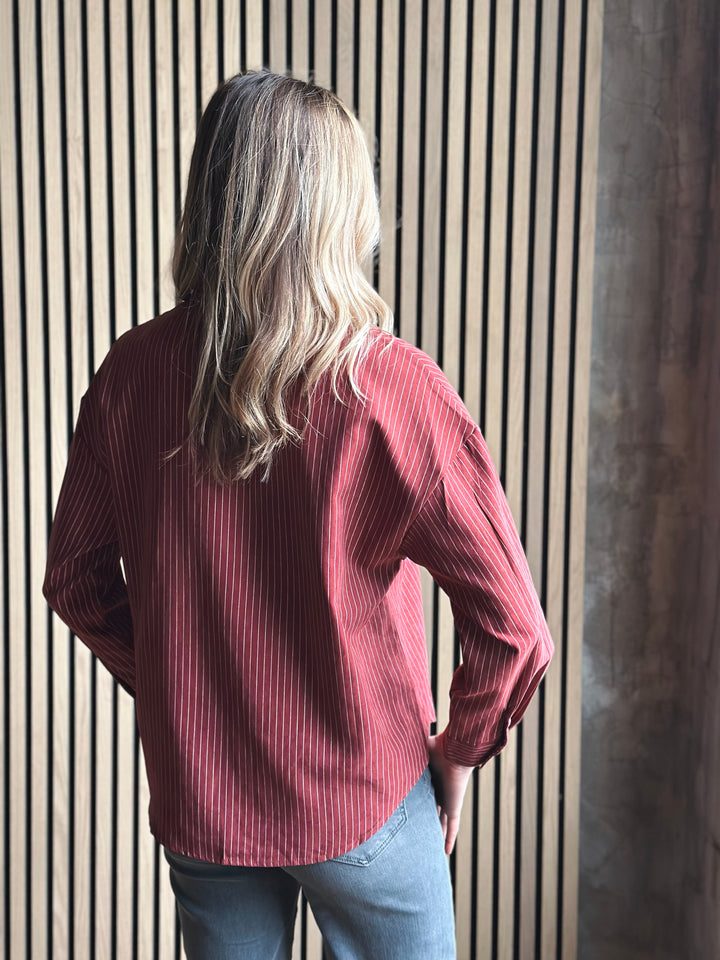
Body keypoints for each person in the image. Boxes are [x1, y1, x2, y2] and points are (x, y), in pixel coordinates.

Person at [43, 70, 554, 960]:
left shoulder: (133, 375)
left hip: (204, 806)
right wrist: (458, 752)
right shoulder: (389, 389)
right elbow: (515, 630)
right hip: (364, 798)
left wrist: (182, 687)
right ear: (342, 210)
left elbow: (75, 581)